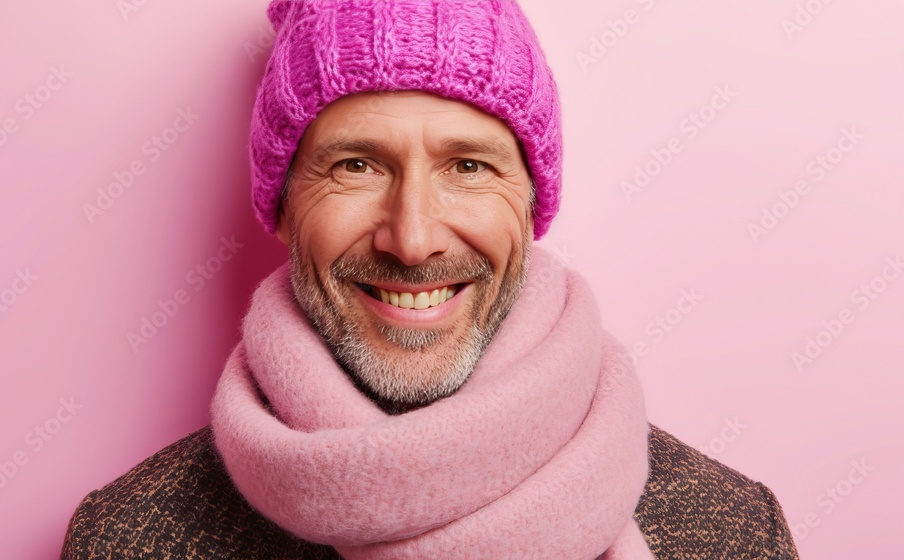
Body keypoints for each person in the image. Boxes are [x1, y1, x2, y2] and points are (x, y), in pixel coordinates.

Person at [62, 0, 799, 558]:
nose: (412, 239)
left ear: (531, 203)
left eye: (468, 166)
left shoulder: (729, 534)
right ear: (283, 207)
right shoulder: (129, 539)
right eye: (356, 164)